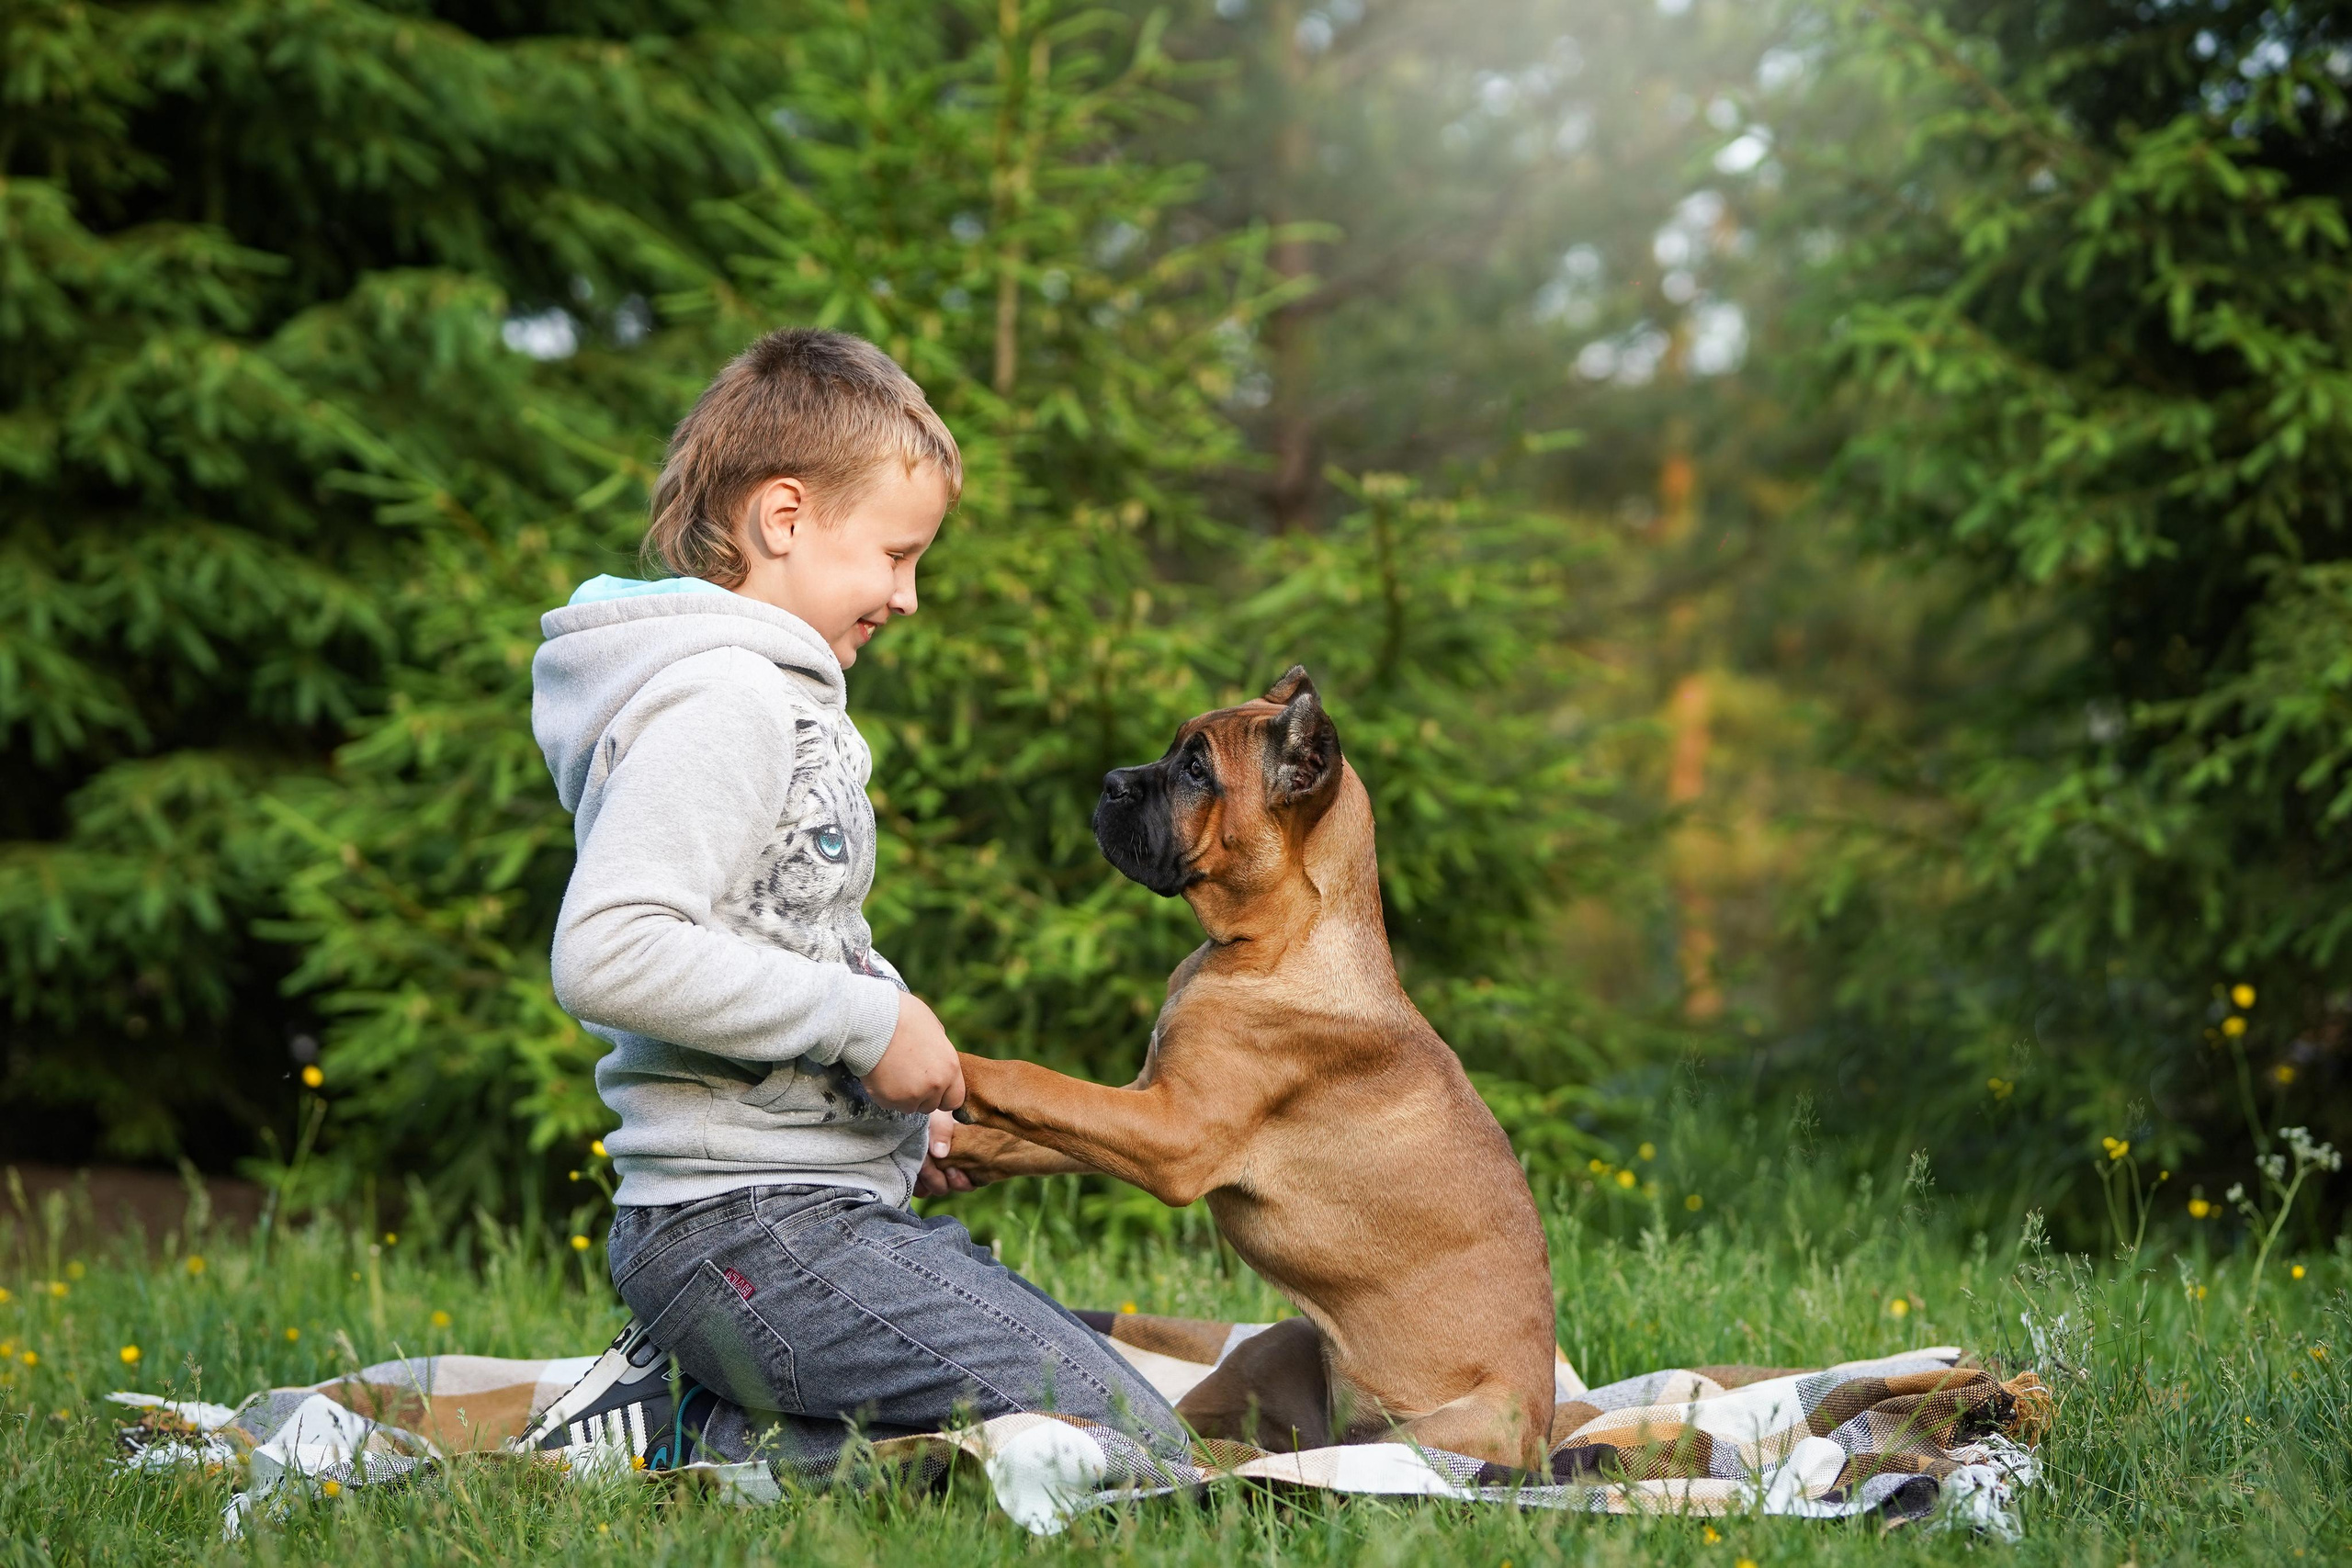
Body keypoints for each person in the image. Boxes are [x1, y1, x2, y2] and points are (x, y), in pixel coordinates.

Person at [514, 328, 1185, 1475]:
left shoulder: (777, 699)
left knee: (1118, 1414)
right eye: (896, 554)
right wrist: (866, 1025)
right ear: (785, 517)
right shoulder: (722, 699)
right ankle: (683, 1439)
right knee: (1120, 1445)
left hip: (809, 1211)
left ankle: (692, 1416)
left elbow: (790, 933)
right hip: (745, 1231)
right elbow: (610, 951)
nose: (908, 596)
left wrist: (887, 1109)